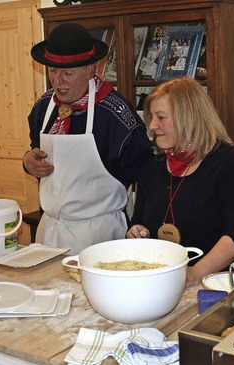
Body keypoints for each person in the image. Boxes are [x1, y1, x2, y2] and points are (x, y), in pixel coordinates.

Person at [23, 22, 153, 254]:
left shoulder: (117, 116)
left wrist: (139, 225)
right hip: (50, 230)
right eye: (52, 71)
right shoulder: (44, 107)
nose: (58, 80)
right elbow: (35, 150)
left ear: (90, 70)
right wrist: (28, 162)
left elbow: (146, 178)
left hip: (99, 235)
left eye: (67, 73)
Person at [126, 77, 234, 285]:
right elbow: (138, 220)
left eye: (161, 117)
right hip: (166, 282)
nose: (152, 126)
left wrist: (194, 274)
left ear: (188, 118)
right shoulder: (153, 167)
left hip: (220, 284)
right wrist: (137, 231)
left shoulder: (227, 162)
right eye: (152, 117)